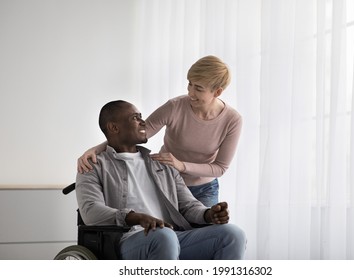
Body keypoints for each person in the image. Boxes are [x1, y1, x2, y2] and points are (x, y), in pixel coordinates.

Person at [75, 100, 246, 260]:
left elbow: (188, 205)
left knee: (232, 234)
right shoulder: (94, 166)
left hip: (171, 236)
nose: (143, 122)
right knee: (163, 236)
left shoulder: (162, 164)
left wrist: (209, 214)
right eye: (135, 118)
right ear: (113, 127)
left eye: (141, 116)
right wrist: (136, 218)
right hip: (127, 239)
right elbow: (91, 212)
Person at [77, 55, 242, 207]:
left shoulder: (232, 120)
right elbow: (141, 132)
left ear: (217, 91)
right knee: (172, 234)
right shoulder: (175, 107)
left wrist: (181, 165)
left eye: (198, 88)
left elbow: (220, 167)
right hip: (168, 183)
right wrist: (95, 150)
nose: (190, 92)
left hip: (205, 189)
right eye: (189, 83)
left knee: (208, 235)